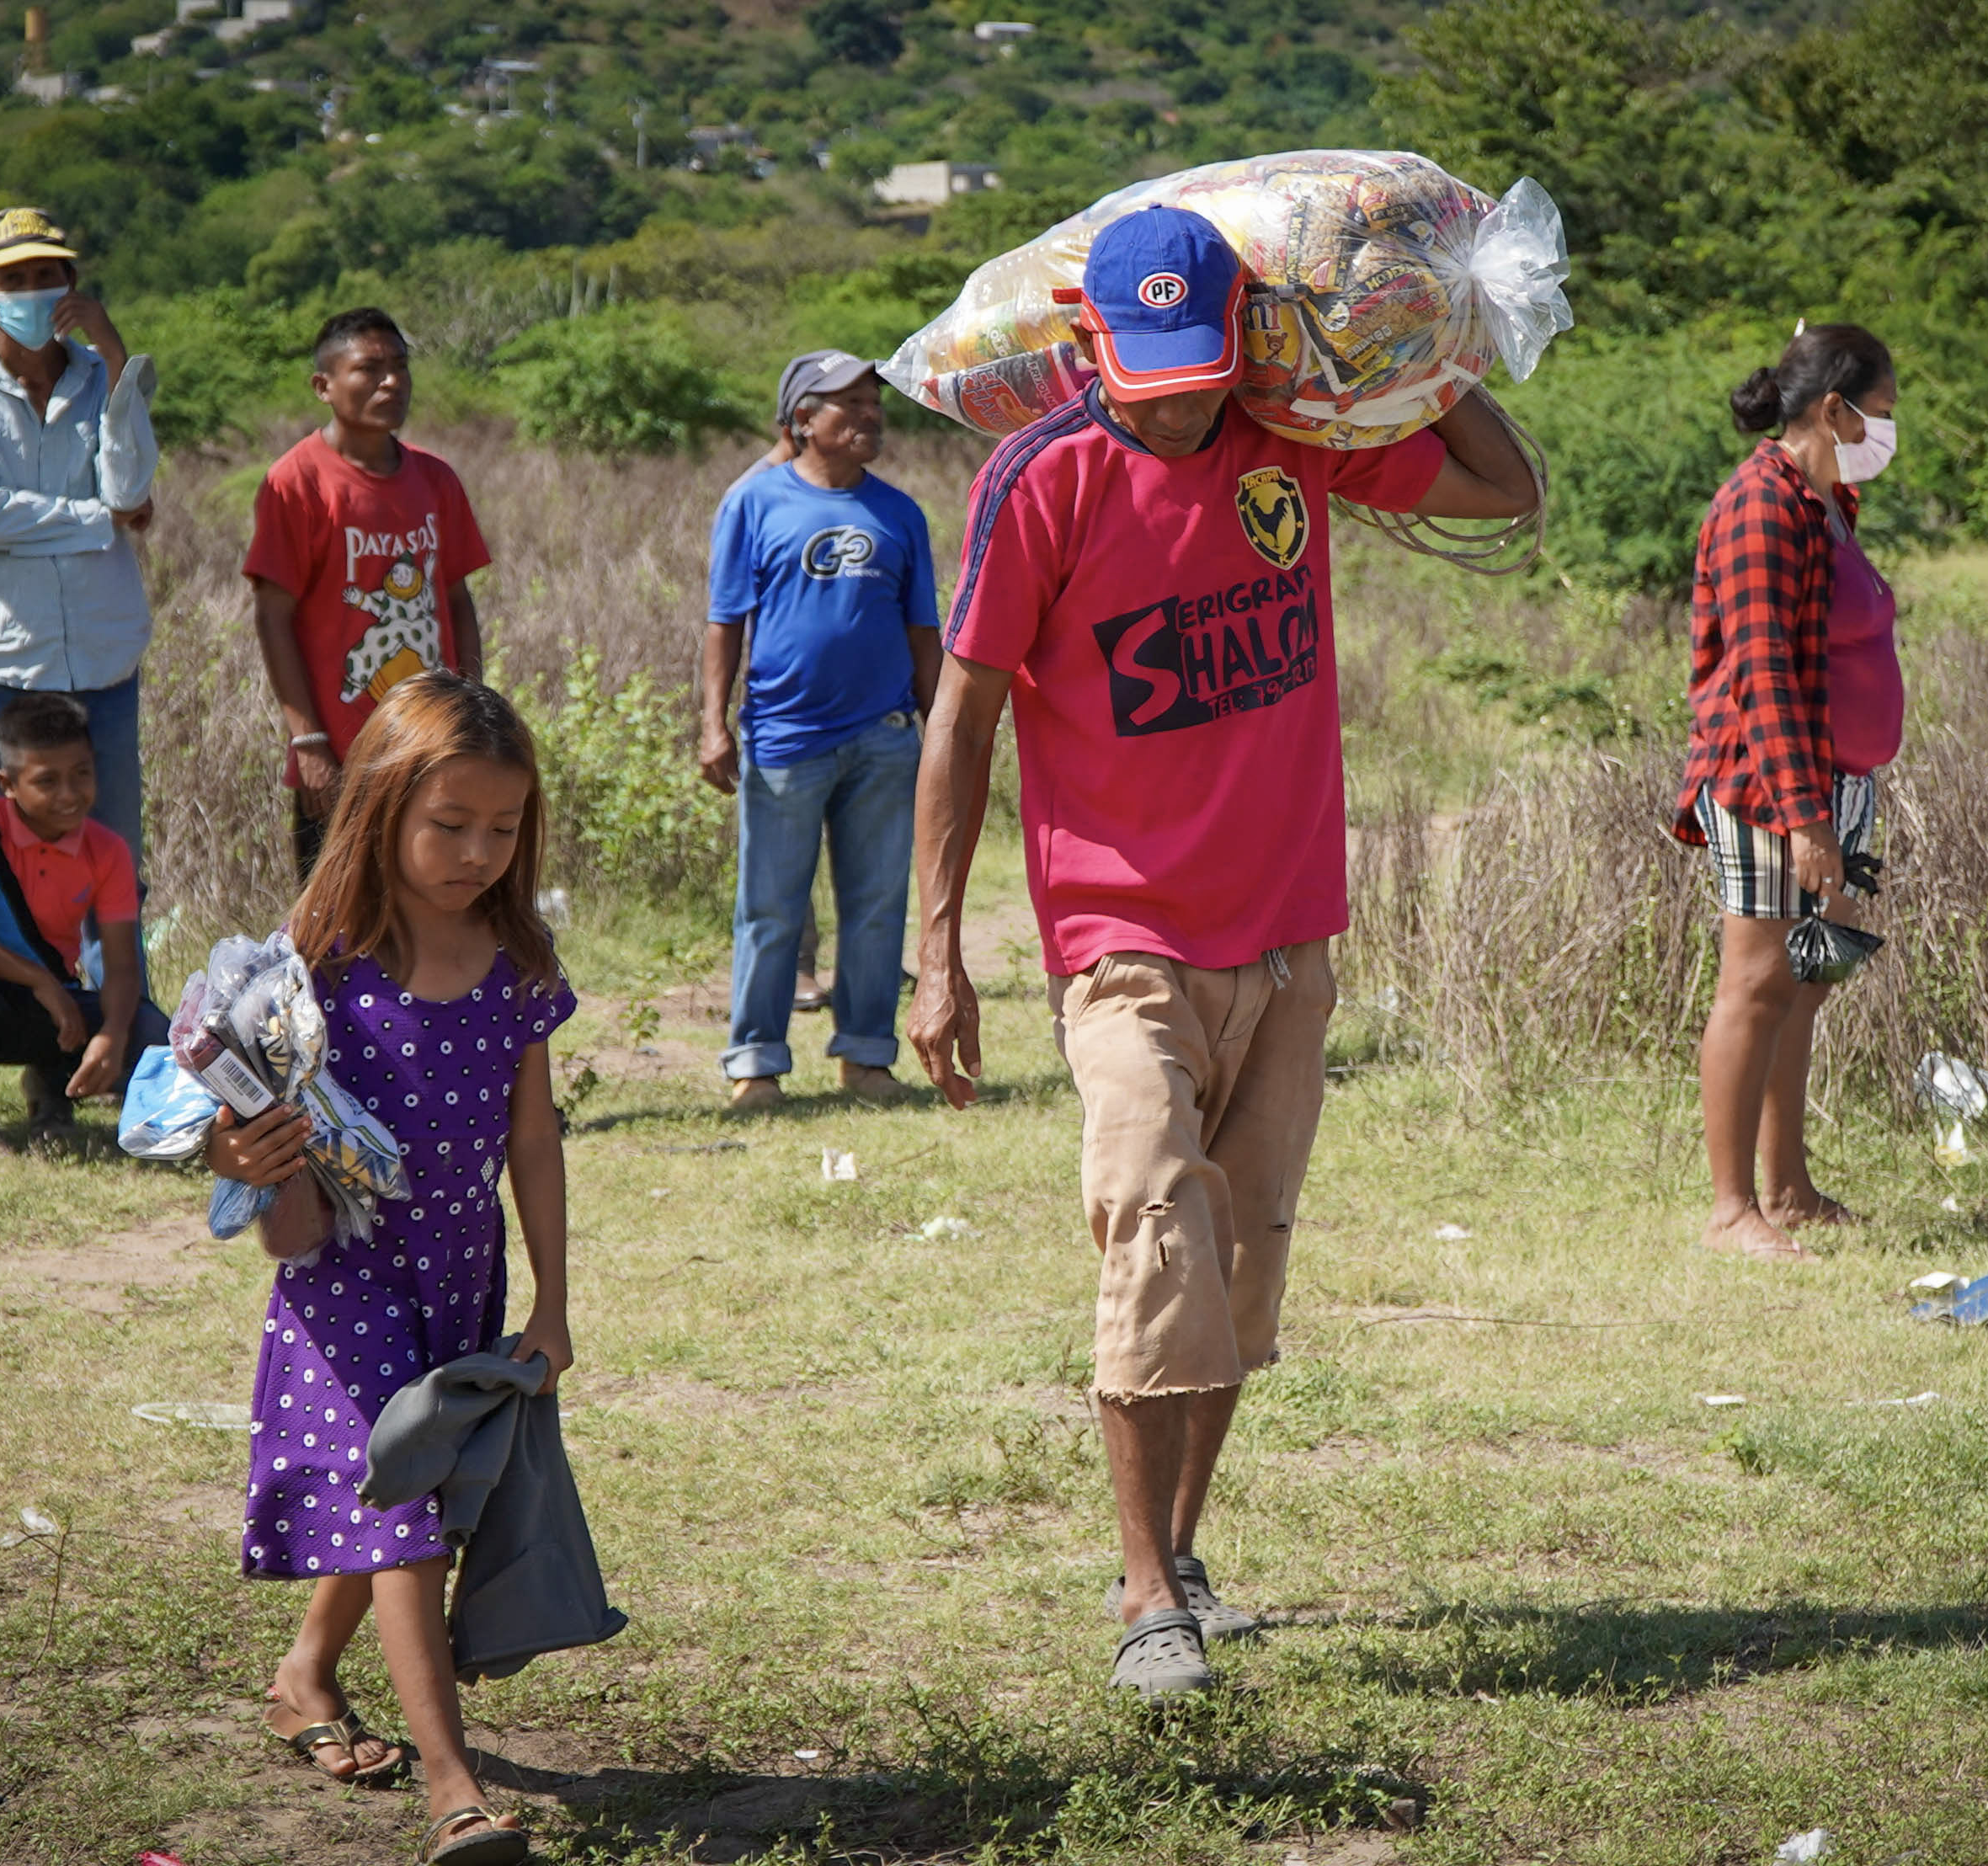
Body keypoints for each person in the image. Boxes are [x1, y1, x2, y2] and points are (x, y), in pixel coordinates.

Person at [908, 206, 1538, 1698]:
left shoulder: (1291, 438)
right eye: (1147, 367)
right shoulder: (1042, 477)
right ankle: (1141, 1600)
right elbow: (963, 714)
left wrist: (1426, 330)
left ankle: (1182, 1561)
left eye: (1202, 363)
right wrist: (937, 954)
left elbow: (1504, 491)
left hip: (1286, 932)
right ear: (1091, 343)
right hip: (1119, 935)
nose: (1177, 396)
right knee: (1152, 1228)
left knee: (1244, 1262)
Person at [202, 672, 573, 1865]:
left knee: (408, 1500)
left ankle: (306, 1675)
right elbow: (252, 1135)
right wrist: (243, 1151)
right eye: (448, 823)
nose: (476, 851)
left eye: (502, 828)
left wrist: (555, 1304)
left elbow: (533, 1140)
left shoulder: (517, 960)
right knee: (403, 1506)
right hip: (348, 1281)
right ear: (380, 810)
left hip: (464, 1274)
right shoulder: (320, 963)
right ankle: (454, 1791)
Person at [1670, 323, 1903, 1264]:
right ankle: (1733, 1211)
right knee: (1757, 983)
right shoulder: (1760, 509)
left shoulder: (1822, 499)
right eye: (1880, 412)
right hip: (1776, 785)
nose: (1890, 430)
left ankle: (1790, 1188)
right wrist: (1806, 819)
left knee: (1805, 983)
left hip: (1836, 780)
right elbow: (1762, 675)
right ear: (1835, 410)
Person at [698, 349, 941, 1110]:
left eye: (875, 407)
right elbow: (724, 623)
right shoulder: (755, 503)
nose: (870, 419)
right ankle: (756, 1066)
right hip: (783, 740)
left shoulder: (900, 513)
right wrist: (714, 725)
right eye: (850, 408)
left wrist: (941, 732)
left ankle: (867, 1058)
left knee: (875, 908)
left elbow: (923, 630)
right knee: (770, 909)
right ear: (803, 421)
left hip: (885, 737)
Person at [0, 206, 159, 869]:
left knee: (111, 879)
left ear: (72, 282)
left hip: (102, 666)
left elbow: (130, 490)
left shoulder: (99, 374)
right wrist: (94, 521)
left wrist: (114, 354)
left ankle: (109, 982)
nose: (31, 291)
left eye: (45, 274)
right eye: (11, 279)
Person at [247, 308, 490, 882]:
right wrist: (308, 743)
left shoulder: (436, 481)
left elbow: (456, 601)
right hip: (342, 753)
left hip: (431, 744)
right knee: (335, 927)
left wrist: (473, 712)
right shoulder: (296, 482)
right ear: (323, 386)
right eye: (370, 369)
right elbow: (272, 618)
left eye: (400, 367)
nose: (391, 382)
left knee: (432, 909)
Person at [0, 692, 167, 1154]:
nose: (69, 795)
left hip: (55, 1013)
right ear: (7, 785)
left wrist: (112, 1033)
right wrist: (39, 981)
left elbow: (121, 960)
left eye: (82, 775)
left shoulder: (107, 849)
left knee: (152, 1031)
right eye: (47, 781)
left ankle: (56, 1101)